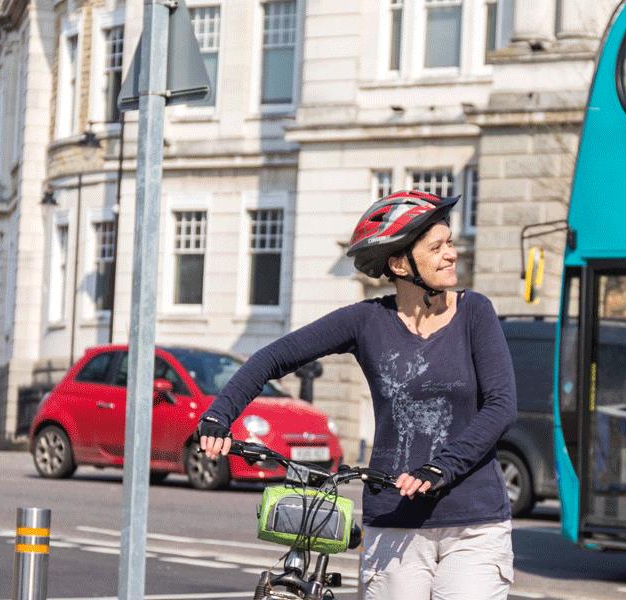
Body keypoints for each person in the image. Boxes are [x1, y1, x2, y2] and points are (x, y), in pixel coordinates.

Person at [198, 190, 518, 599]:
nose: (452, 254)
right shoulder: (367, 321)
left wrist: (441, 468)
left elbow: (501, 406)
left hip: (474, 523)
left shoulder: (475, 312)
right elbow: (274, 357)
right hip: (394, 520)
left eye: (450, 243)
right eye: (437, 247)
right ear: (400, 264)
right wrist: (217, 416)